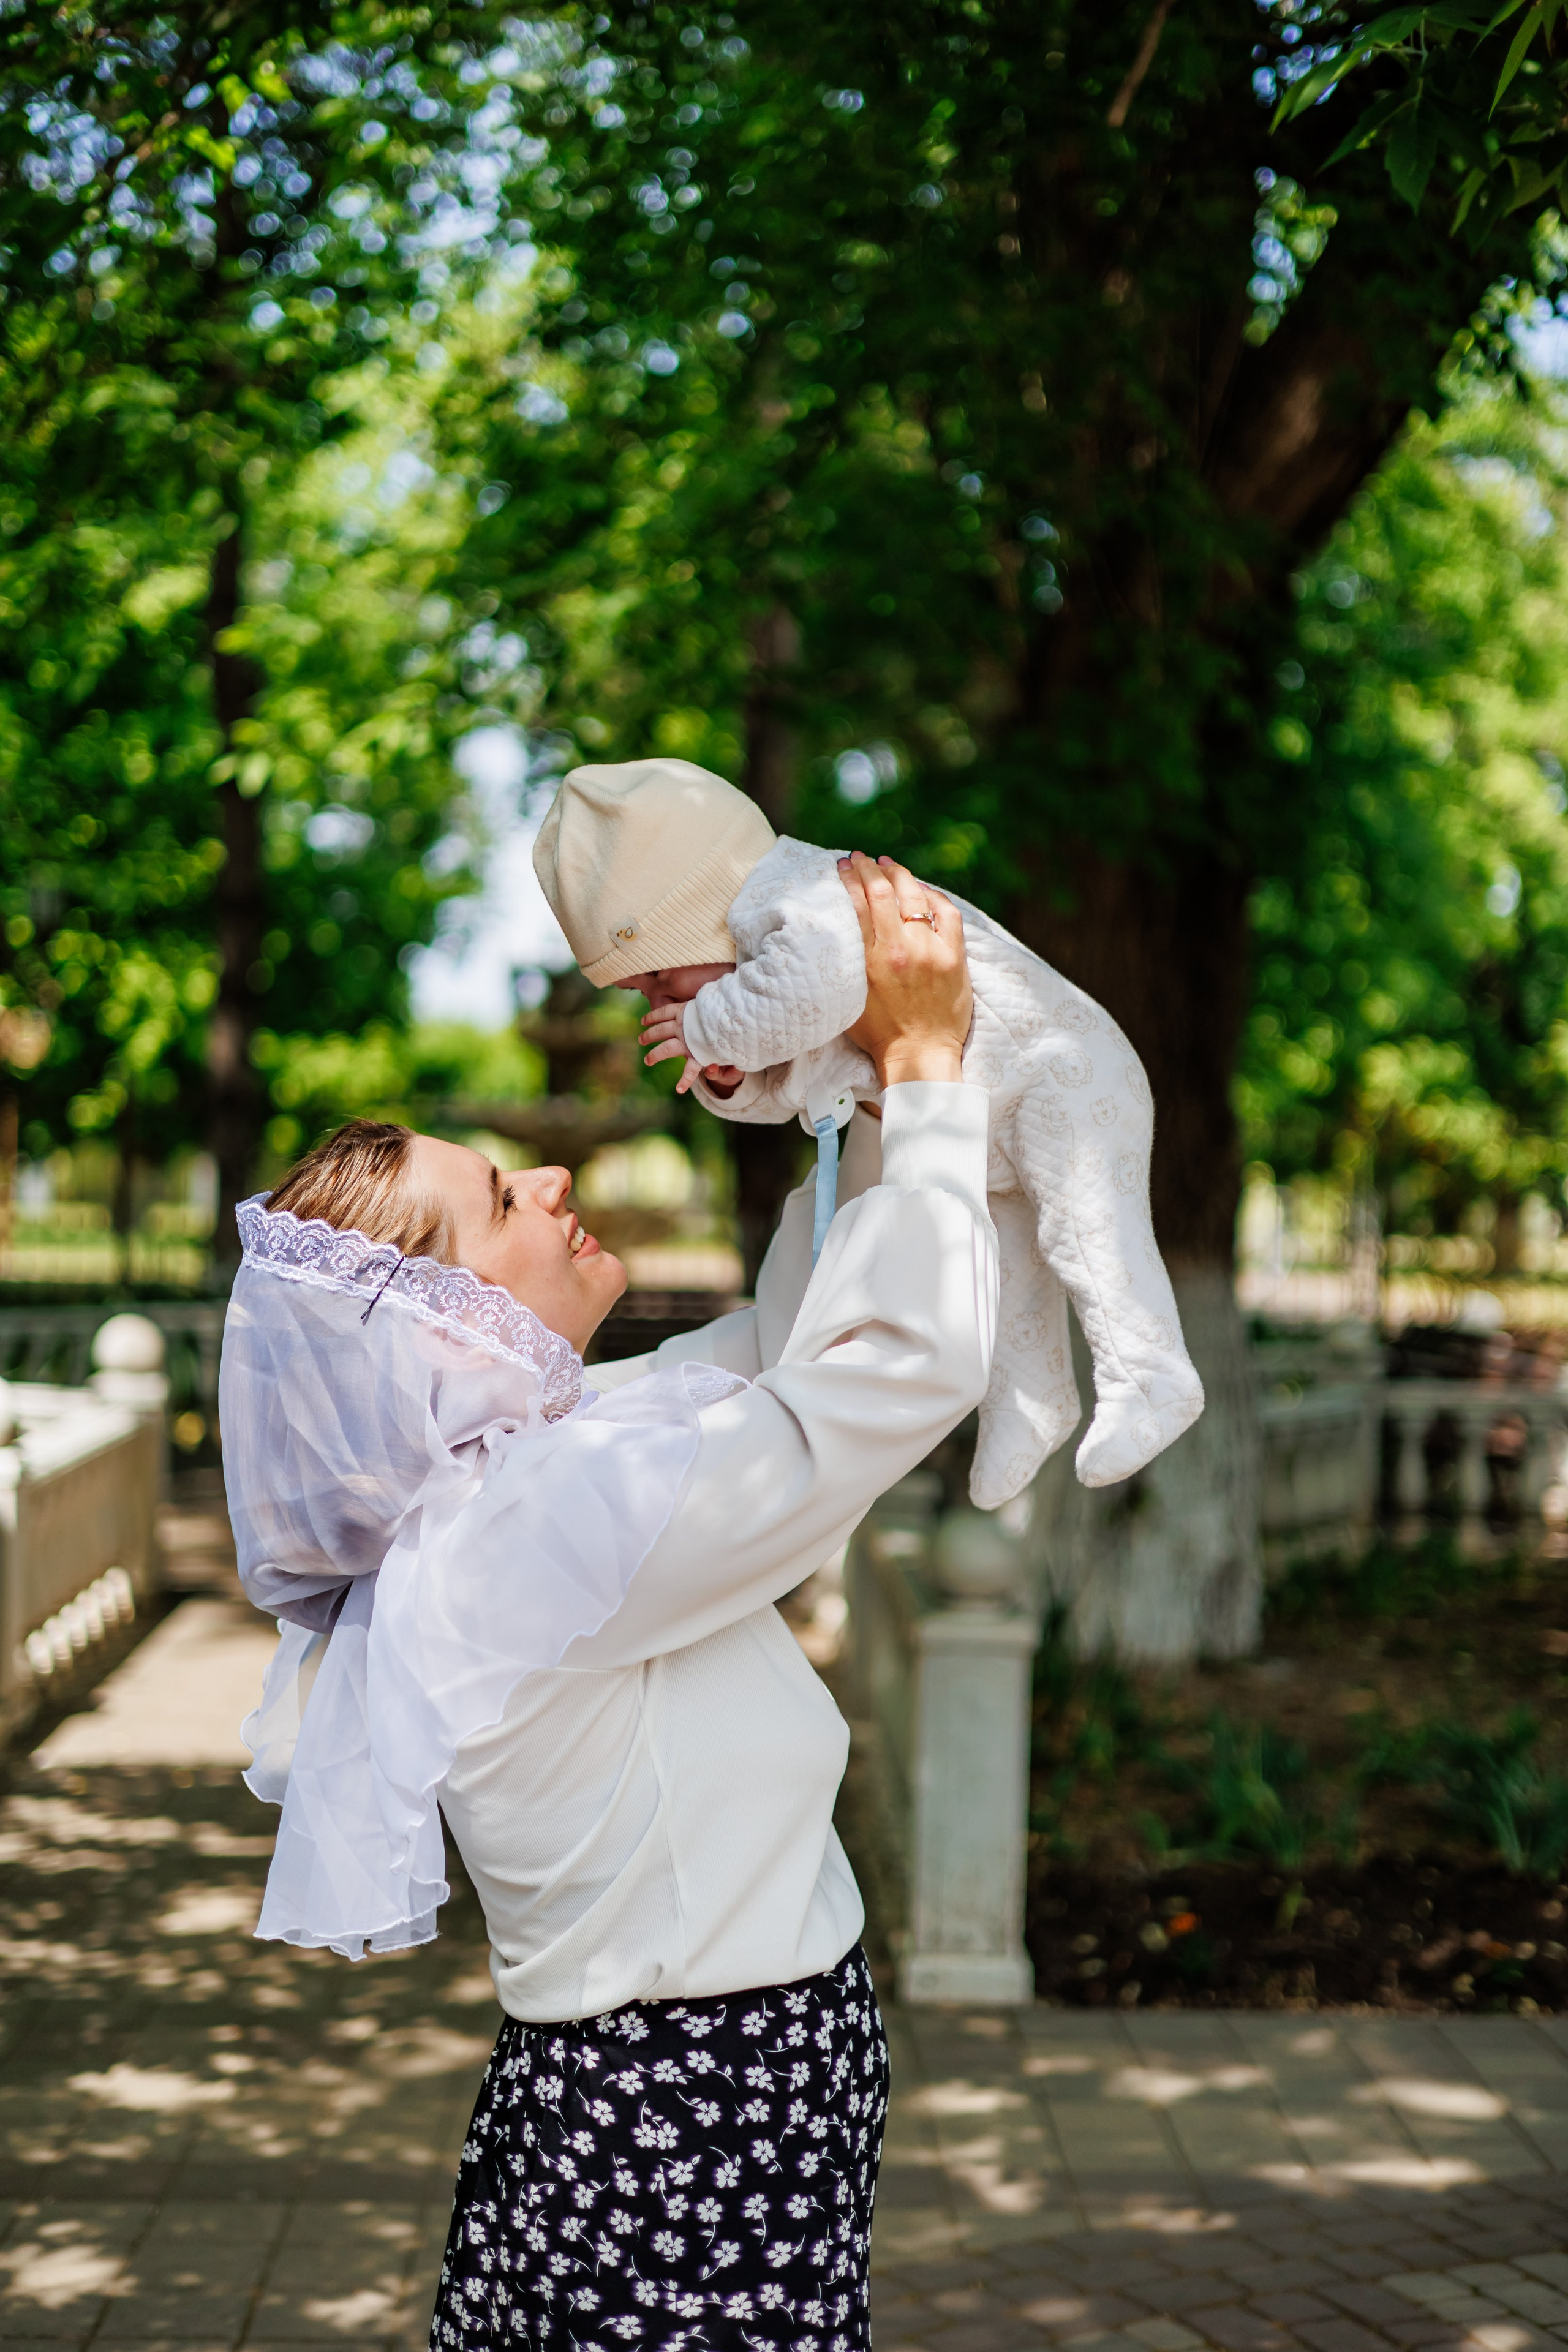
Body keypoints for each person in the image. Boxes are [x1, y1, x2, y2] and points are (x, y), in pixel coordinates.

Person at [219, 855, 995, 2352]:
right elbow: (888, 1372)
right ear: (435, 1334)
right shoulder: (522, 1533)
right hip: (685, 2117)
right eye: (504, 1197)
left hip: (690, 2095)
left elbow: (785, 1341)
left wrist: (837, 1080)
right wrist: (922, 1060)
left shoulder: (534, 1466)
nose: (554, 1179)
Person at [531, 755, 1204, 1512]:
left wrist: (706, 1025)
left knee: (1088, 1242)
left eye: (655, 977)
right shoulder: (764, 949)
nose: (657, 1000)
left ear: (690, 911)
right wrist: (734, 1074)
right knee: (1014, 1272)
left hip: (1063, 1079)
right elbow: (813, 1072)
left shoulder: (794, 900)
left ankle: (1150, 1373)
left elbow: (813, 997)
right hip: (976, 1107)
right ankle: (1031, 1401)